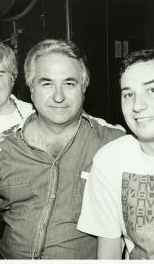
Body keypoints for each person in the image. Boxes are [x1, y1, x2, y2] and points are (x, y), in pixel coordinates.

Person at [0, 39, 125, 259]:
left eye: (69, 84)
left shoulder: (112, 145)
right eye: (46, 83)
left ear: (84, 87)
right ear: (31, 88)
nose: (58, 96)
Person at [77, 49, 154, 259]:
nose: (138, 106)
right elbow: (109, 251)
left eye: (152, 90)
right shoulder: (110, 160)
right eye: (129, 94)